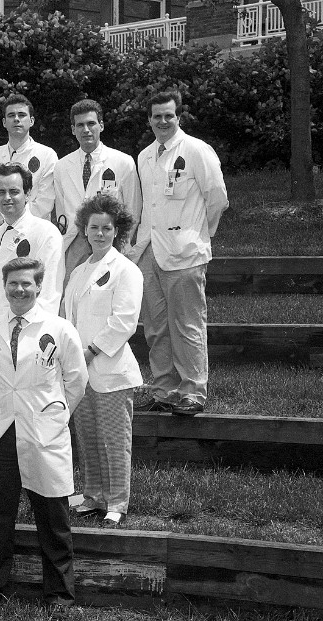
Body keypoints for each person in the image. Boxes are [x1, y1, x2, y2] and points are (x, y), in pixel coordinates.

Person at [0, 257, 87, 610]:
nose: (19, 290)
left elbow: (77, 381)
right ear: (4, 287)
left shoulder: (59, 329)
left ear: (39, 286)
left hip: (44, 431)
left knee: (52, 516)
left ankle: (60, 594)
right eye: (12, 284)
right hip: (1, 430)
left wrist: (54, 414)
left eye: (26, 284)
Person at [128, 89, 228, 416]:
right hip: (150, 253)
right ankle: (164, 389)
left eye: (168, 115)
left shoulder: (197, 150)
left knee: (187, 325)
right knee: (156, 327)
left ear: (179, 116)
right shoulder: (144, 157)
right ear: (149, 120)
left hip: (185, 255)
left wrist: (198, 234)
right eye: (157, 116)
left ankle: (192, 391)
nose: (163, 121)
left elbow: (217, 198)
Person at [64, 195, 143, 526]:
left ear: (116, 231)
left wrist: (92, 351)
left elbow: (124, 320)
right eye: (93, 227)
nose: (99, 233)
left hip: (110, 370)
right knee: (88, 438)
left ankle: (117, 502)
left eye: (106, 228)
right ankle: (94, 495)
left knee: (114, 440)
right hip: (81, 372)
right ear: (84, 229)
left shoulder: (126, 270)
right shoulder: (79, 271)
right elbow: (69, 318)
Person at [54, 100, 141, 283]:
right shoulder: (61, 166)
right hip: (75, 244)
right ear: (73, 129)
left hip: (111, 242)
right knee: (72, 297)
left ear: (101, 126)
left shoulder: (123, 163)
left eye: (91, 123)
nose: (86, 129)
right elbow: (62, 212)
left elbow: (133, 209)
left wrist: (123, 244)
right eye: (80, 125)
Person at [0, 164, 63, 323]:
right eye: (1, 192)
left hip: (26, 329)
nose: (7, 197)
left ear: (28, 194)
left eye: (14, 191)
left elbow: (49, 294)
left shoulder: (46, 234)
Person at [0, 94, 59, 221]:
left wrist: (15, 222)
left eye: (22, 115)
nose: (16, 119)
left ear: (31, 121)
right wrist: (0, 221)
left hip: (35, 228)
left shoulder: (47, 155)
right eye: (11, 115)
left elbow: (45, 201)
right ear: (4, 122)